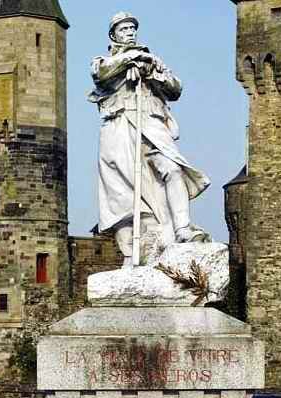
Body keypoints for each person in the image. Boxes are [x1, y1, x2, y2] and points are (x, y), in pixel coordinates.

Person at [89, 12, 211, 263]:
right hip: (120, 126)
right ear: (114, 35)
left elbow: (175, 88)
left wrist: (151, 72)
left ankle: (182, 229)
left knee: (172, 168)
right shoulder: (104, 61)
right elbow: (101, 73)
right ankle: (132, 254)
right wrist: (130, 59)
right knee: (122, 193)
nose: (130, 32)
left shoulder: (153, 61)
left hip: (151, 123)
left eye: (132, 28)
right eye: (123, 29)